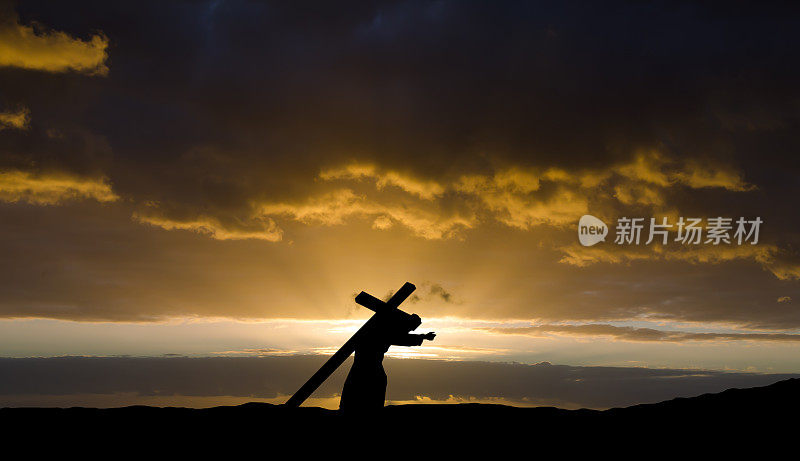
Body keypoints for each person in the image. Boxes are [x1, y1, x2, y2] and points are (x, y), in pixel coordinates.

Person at [339, 312, 435, 412]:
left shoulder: (390, 327)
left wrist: (423, 337)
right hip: (369, 358)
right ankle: (365, 408)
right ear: (406, 324)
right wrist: (423, 337)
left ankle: (354, 406)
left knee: (363, 379)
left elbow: (400, 337)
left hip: (371, 358)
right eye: (410, 328)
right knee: (372, 380)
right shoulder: (388, 328)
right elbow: (400, 338)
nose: (409, 331)